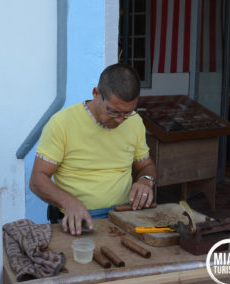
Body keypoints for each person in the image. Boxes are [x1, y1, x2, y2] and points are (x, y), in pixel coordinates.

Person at [29, 63, 157, 236]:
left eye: (127, 113)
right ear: (96, 93)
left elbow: (145, 166)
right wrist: (69, 203)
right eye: (114, 112)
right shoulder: (62, 123)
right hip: (78, 220)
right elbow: (37, 180)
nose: (120, 120)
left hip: (125, 215)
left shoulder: (135, 122)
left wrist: (146, 180)